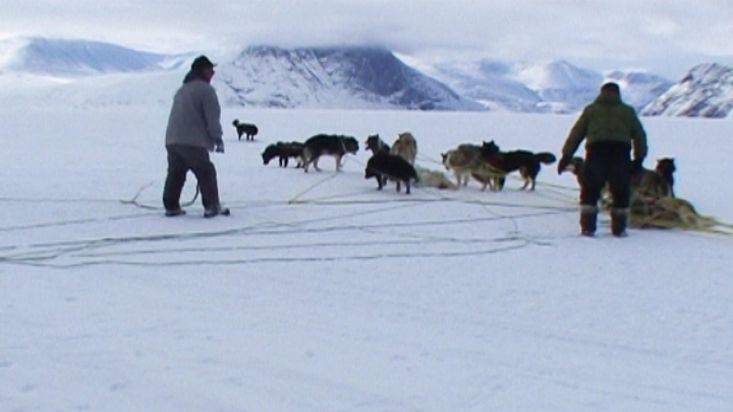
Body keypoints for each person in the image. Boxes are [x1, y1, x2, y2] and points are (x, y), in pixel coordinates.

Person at [558, 82, 647, 237]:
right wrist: (639, 158)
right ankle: (619, 229)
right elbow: (640, 136)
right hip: (620, 154)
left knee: (590, 190)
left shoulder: (591, 111)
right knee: (620, 192)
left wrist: (567, 155)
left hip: (596, 153)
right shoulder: (627, 112)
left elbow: (576, 134)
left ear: (601, 93)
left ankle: (588, 228)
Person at [162, 55, 229, 218]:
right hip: (192, 141)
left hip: (172, 140)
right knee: (206, 172)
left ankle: (171, 205)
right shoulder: (206, 90)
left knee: (176, 173)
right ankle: (212, 206)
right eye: (210, 69)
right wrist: (217, 138)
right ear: (203, 71)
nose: (213, 72)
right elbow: (212, 117)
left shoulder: (182, 90)